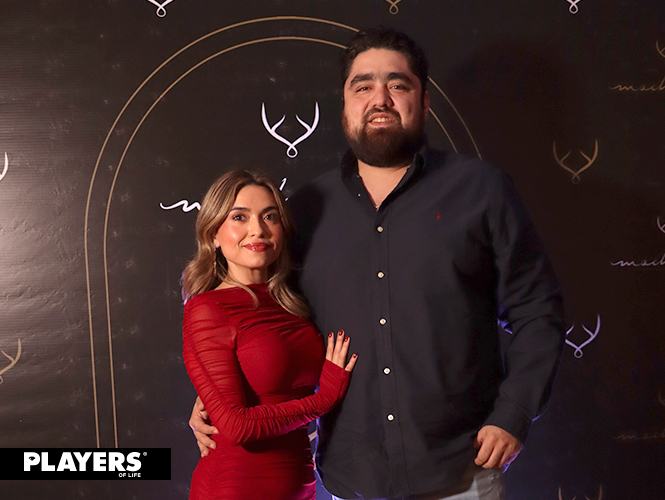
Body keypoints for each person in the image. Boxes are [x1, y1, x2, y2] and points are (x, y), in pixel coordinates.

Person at [191, 28, 565, 500]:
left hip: (461, 471)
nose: (380, 99)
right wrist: (217, 391)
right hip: (353, 478)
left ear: (424, 102)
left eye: (398, 84)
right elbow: (266, 320)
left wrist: (514, 413)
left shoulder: (482, 190)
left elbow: (537, 311)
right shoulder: (305, 210)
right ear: (345, 105)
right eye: (363, 86)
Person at [181, 169, 357, 500]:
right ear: (214, 233)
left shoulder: (293, 302)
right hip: (236, 489)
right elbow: (237, 426)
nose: (257, 230)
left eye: (269, 216)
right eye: (239, 217)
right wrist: (323, 399)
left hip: (300, 485)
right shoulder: (207, 309)